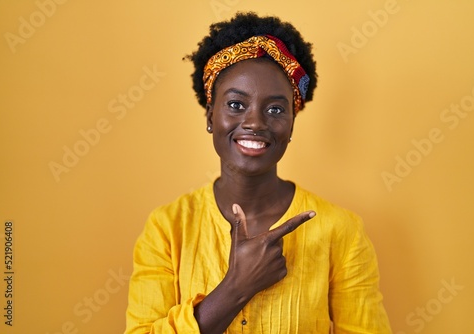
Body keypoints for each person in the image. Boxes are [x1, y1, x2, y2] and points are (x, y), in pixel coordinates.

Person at [125, 12, 392, 334]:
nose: (255, 122)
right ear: (211, 116)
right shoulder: (167, 228)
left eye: (276, 109)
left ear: (292, 123)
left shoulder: (341, 231)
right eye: (236, 105)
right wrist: (237, 286)